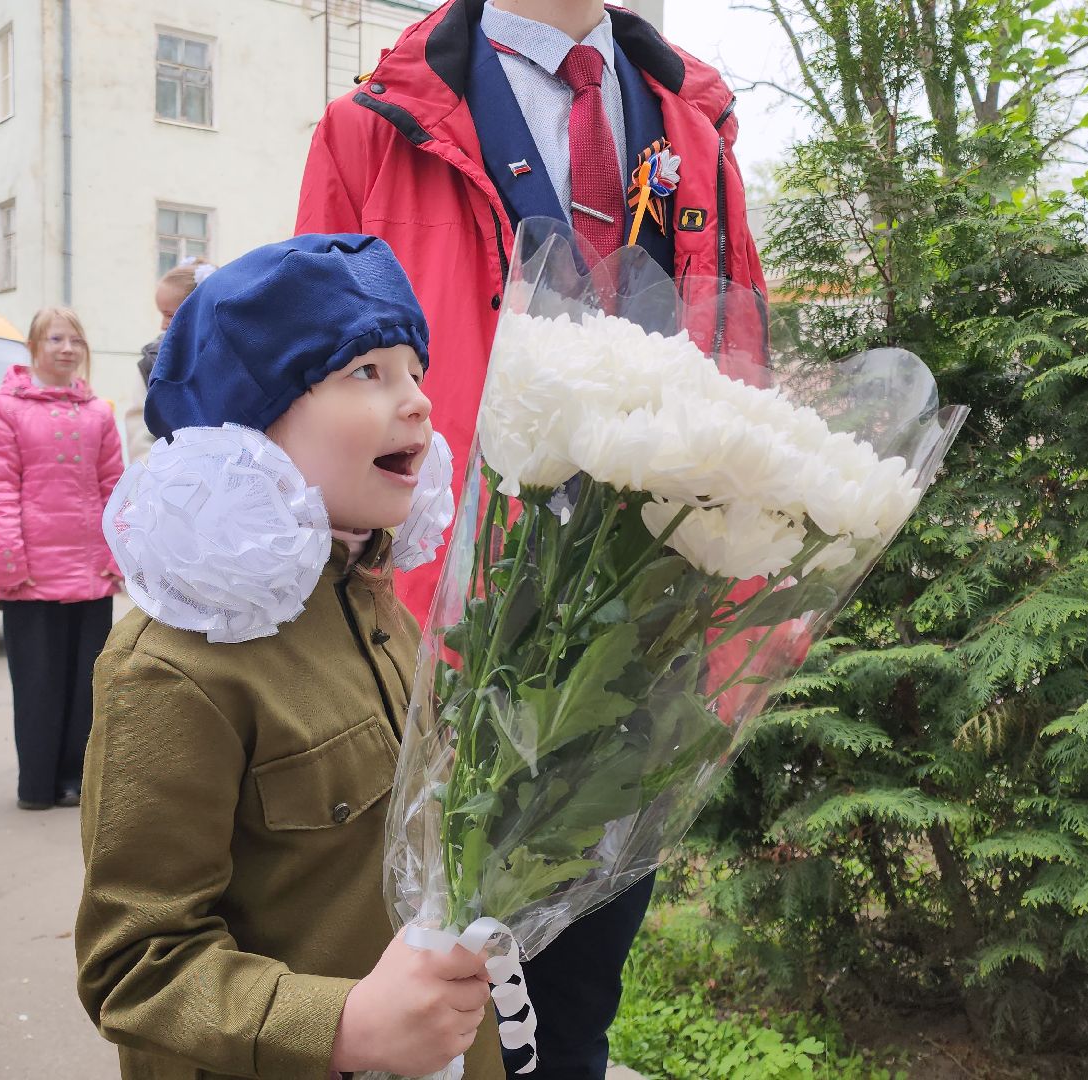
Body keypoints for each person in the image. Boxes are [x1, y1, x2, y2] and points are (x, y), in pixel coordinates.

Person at [297, 2, 769, 1075]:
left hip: (639, 649)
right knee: (416, 1009)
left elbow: (738, 363)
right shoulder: (375, 126)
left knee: (565, 1023)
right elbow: (306, 388)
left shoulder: (694, 131)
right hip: (427, 643)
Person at [73, 233, 504, 1080]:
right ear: (251, 417)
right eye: (366, 373)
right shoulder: (175, 663)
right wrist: (341, 1024)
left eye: (414, 370)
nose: (417, 401)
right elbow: (134, 966)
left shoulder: (375, 597)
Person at [0, 307, 123, 810]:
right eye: (55, 339)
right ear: (34, 348)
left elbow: (113, 489)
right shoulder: (8, 409)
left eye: (74, 340)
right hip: (31, 573)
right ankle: (37, 785)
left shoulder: (99, 412)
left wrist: (114, 555)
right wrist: (9, 560)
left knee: (88, 685)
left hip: (89, 572)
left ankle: (76, 779)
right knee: (39, 685)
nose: (66, 348)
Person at [122, 256, 216, 460]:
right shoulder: (153, 363)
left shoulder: (224, 358)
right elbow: (141, 438)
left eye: (169, 315)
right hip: (167, 477)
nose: (163, 325)